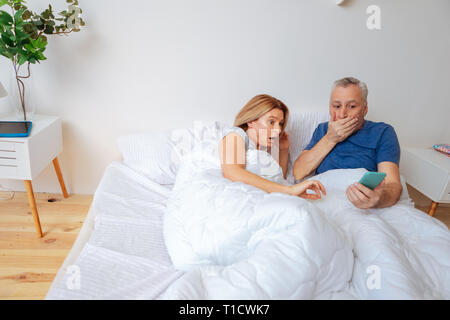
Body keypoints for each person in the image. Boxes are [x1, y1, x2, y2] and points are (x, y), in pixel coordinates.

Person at [293, 77, 402, 209]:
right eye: (337, 106)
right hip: (325, 198)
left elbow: (393, 184)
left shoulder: (383, 132)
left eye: (351, 106)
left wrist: (377, 199)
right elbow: (298, 172)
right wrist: (330, 139)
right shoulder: (322, 130)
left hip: (362, 205)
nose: (342, 114)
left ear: (365, 109)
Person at [219, 94, 326, 200]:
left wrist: (283, 150)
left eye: (280, 123)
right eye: (271, 122)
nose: (279, 130)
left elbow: (278, 179)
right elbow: (232, 172)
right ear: (251, 121)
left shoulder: (264, 147)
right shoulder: (236, 134)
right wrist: (290, 191)